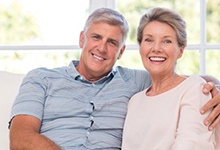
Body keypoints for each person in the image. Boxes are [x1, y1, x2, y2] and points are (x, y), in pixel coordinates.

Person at [9, 8, 220, 150]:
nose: (102, 48)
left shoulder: (136, 83)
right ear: (82, 38)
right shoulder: (41, 78)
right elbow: (19, 137)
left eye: (112, 42)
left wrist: (215, 87)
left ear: (121, 51)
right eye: (96, 37)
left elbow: (179, 82)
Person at [122, 7, 218, 150]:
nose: (156, 48)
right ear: (140, 47)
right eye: (149, 40)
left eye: (166, 41)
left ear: (181, 50)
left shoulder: (194, 89)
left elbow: (190, 145)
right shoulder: (135, 101)